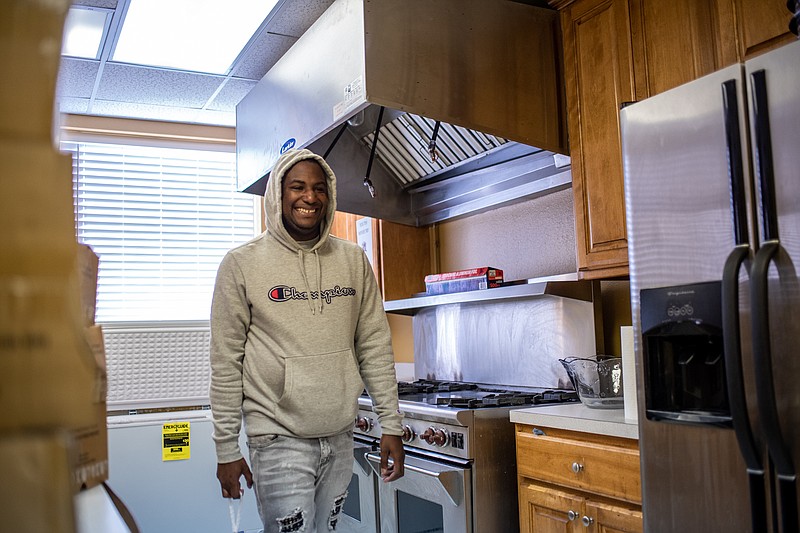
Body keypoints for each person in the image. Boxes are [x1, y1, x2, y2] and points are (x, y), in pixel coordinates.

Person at [209, 148, 405, 532]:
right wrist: (226, 448)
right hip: (278, 440)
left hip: (340, 435)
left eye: (318, 188)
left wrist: (391, 425)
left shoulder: (353, 260)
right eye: (297, 187)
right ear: (278, 195)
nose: (309, 197)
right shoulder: (242, 264)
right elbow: (226, 362)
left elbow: (375, 346)